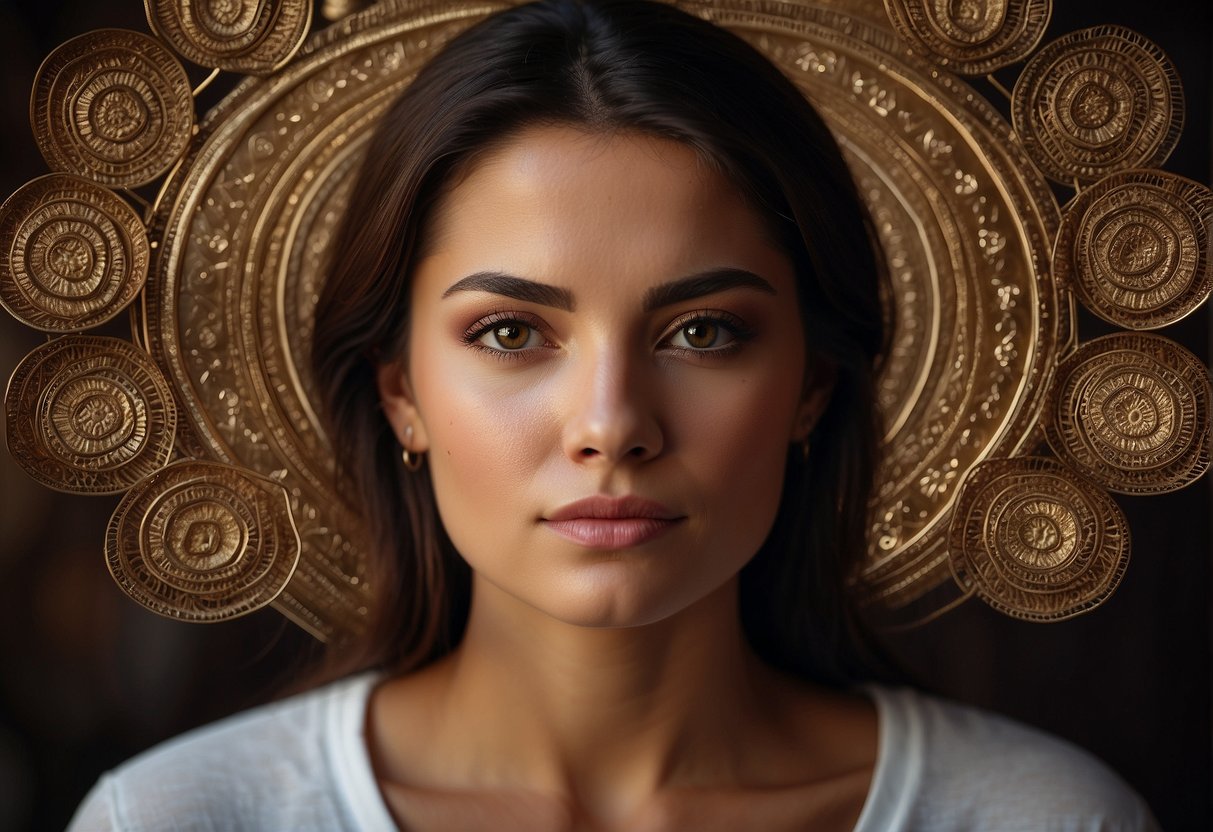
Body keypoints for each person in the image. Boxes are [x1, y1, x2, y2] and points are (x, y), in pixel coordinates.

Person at [67, 1, 1158, 828]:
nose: (612, 422)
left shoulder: (1037, 814)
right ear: (401, 391)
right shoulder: (176, 816)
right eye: (509, 332)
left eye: (703, 332)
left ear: (811, 386)